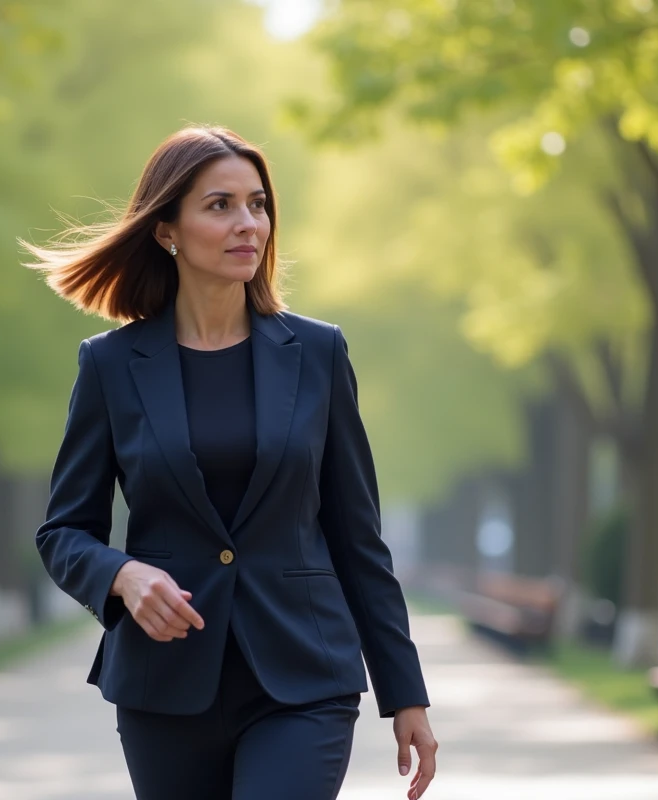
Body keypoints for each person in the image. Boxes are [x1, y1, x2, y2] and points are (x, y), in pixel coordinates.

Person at [28, 125, 437, 800]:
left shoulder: (318, 354)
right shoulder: (110, 365)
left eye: (258, 204)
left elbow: (357, 538)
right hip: (165, 685)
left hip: (305, 679)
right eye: (220, 206)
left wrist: (405, 693)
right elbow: (63, 531)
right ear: (167, 230)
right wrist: (123, 576)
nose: (249, 223)